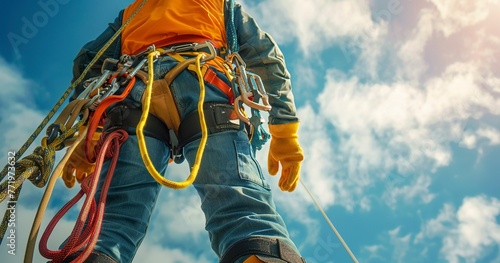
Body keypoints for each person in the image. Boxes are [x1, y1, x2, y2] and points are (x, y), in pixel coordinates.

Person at [62, 0, 305, 262]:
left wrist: (90, 133)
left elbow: (88, 62)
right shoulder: (219, 3)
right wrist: (285, 131)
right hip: (204, 82)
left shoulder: (132, 13)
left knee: (109, 222)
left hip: (135, 93)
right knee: (240, 207)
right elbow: (265, 56)